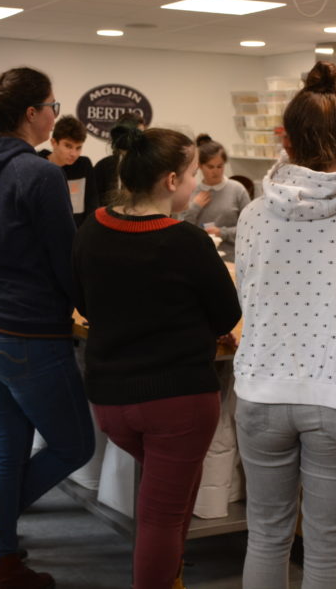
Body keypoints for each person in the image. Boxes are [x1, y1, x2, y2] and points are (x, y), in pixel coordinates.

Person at [232, 61, 336, 588]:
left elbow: (247, 293)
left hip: (261, 391)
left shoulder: (254, 214)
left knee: (266, 534)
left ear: (287, 138)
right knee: (327, 548)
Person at [73, 127, 241, 589]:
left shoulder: (93, 228)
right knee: (161, 518)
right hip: (176, 401)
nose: (198, 184)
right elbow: (227, 312)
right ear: (170, 180)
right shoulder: (186, 242)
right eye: (192, 174)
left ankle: (173, 576)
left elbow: (84, 302)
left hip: (110, 399)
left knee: (169, 502)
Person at [0, 68, 94, 588]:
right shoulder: (39, 175)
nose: (57, 114)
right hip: (24, 332)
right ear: (32, 113)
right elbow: (66, 259)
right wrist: (94, 308)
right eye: (53, 105)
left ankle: (3, 558)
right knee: (74, 445)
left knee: (9, 446)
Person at [180, 135, 250, 262]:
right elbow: (182, 230)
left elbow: (250, 228)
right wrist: (194, 207)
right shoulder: (191, 191)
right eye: (211, 167)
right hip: (201, 257)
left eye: (220, 166)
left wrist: (222, 233)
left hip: (232, 258)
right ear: (200, 166)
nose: (216, 171)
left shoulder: (237, 190)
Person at [39, 115, 98, 226]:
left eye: (78, 147)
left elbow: (92, 203)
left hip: (77, 235)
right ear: (54, 143)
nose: (73, 154)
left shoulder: (84, 165)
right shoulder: (38, 164)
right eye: (68, 146)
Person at [93, 113, 143, 205]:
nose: (138, 140)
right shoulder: (102, 167)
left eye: (140, 135)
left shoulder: (149, 167)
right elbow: (94, 203)